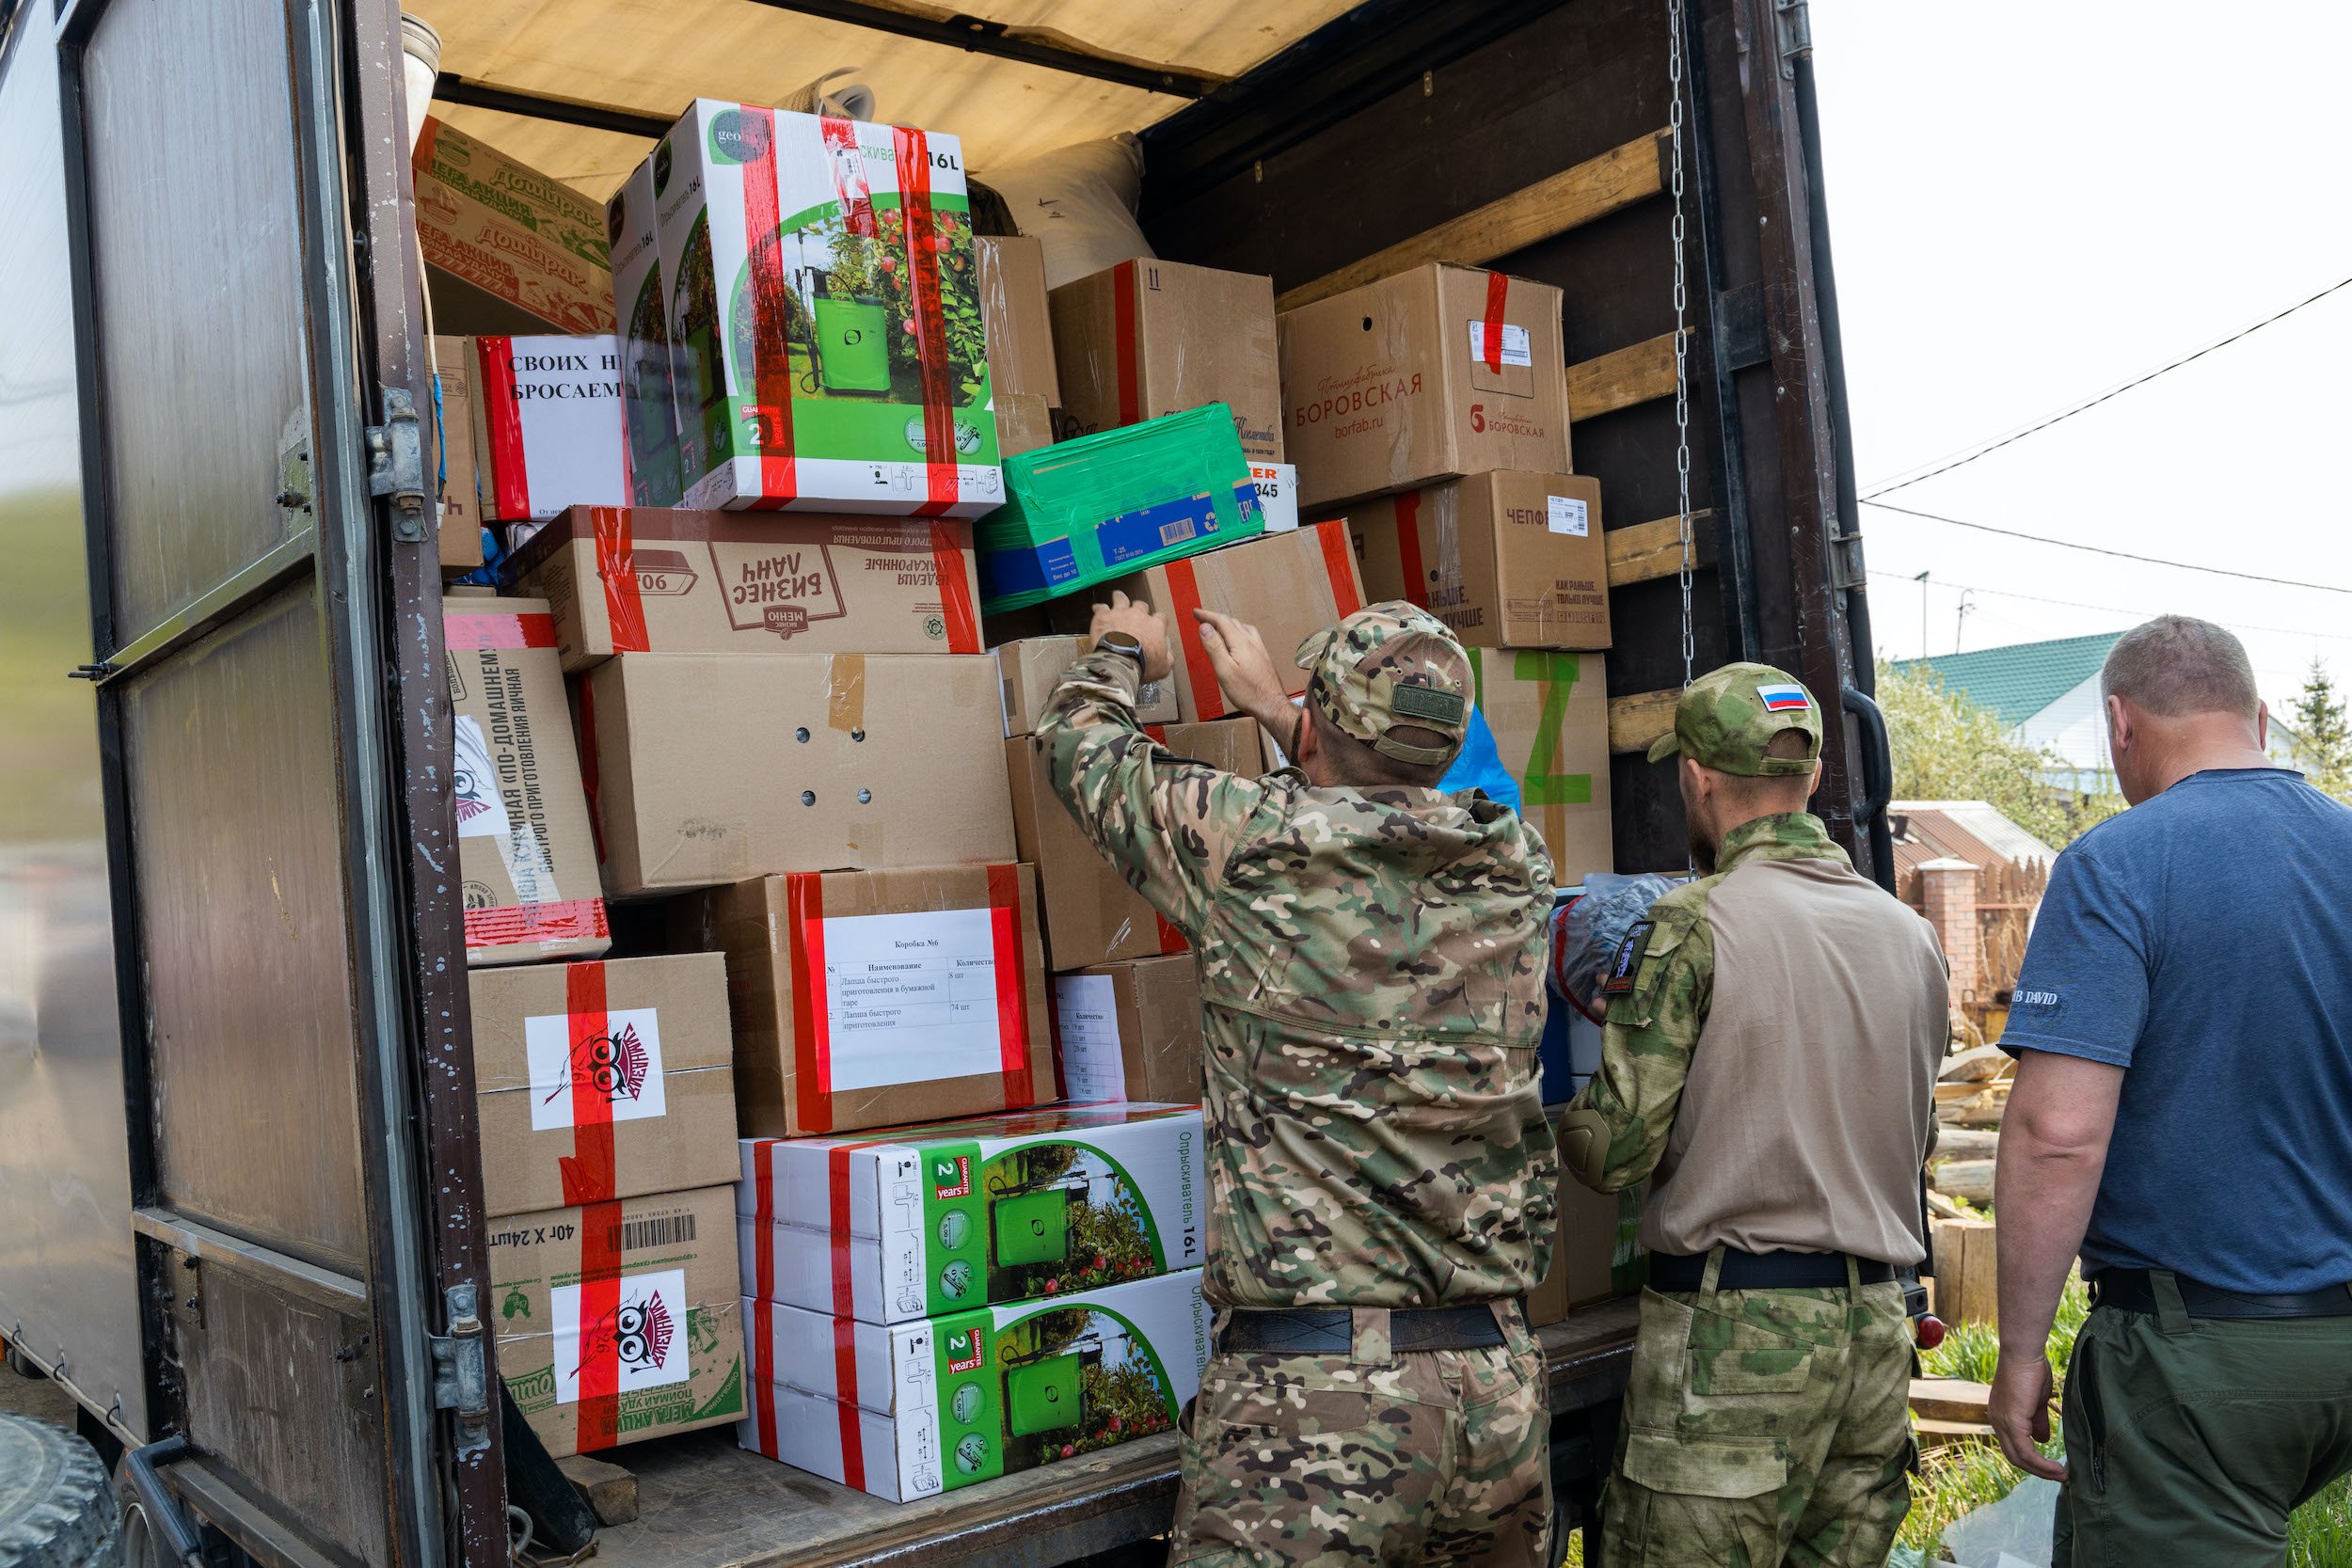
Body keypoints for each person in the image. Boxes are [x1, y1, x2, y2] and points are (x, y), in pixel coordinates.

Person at [1040, 592, 1560, 1567]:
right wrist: (1294, 725)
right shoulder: (1515, 863)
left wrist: (1124, 651)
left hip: (1312, 1414)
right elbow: (1388, 795)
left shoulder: (1250, 843)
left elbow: (1080, 746)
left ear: (1317, 722)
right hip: (1495, 1398)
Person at [1558, 663, 1947, 1568]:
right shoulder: (1908, 933)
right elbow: (1912, 1138)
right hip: (1876, 1344)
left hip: (1739, 1347)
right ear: (1809, 777)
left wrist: (1526, 1119)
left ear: (1695, 776)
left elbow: (1614, 1149)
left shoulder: (1694, 922)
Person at [1985, 615, 2352, 1567]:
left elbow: (2058, 1131)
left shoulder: (2118, 864)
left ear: (2119, 724)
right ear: (2259, 718)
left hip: (2200, 1357)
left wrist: (2020, 1351)